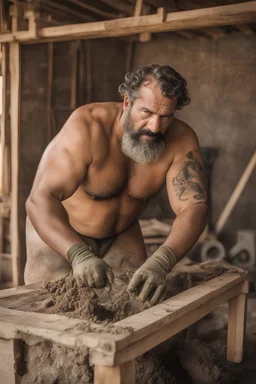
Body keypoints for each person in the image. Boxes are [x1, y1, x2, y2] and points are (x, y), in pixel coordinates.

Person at [25, 64, 208, 306]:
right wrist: (78, 254)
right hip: (63, 234)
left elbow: (194, 207)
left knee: (135, 307)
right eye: (146, 113)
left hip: (122, 233)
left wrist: (161, 261)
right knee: (52, 310)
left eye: (165, 117)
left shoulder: (181, 139)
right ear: (126, 103)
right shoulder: (87, 126)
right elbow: (40, 199)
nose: (154, 127)